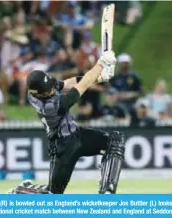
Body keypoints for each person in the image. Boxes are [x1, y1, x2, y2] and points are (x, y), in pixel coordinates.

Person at [9, 51, 125, 194]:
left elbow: (69, 83)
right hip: (62, 148)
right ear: (39, 94)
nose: (52, 90)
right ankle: (22, 192)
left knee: (115, 141)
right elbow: (84, 84)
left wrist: (100, 77)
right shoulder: (52, 106)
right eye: (48, 90)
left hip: (77, 135)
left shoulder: (39, 89)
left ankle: (107, 190)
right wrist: (101, 64)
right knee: (54, 195)